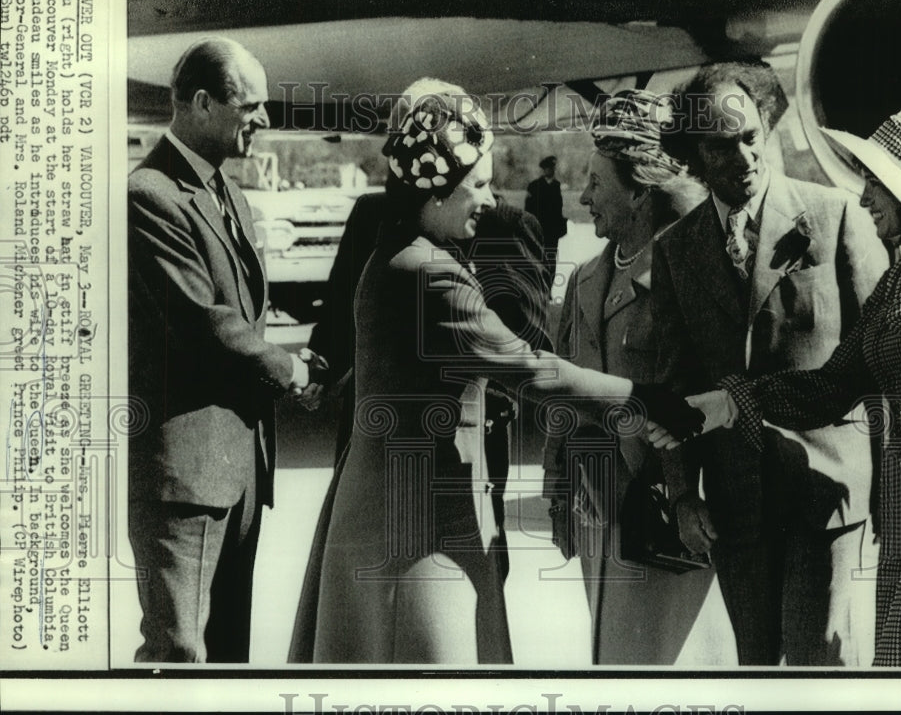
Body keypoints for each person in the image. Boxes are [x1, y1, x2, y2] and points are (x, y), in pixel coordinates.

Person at [290, 80, 704, 663]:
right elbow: (533, 372)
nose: (489, 200)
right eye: (479, 185)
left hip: (402, 509)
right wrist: (645, 400)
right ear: (437, 192)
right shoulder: (430, 275)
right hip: (418, 527)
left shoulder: (398, 251)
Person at [679, 105, 901, 667]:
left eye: (876, 183)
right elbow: (831, 385)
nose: (864, 199)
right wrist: (728, 403)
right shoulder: (899, 276)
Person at [651, 61, 889, 666]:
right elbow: (672, 389)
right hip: (736, 507)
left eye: (750, 137)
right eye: (721, 146)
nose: (744, 156)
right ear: (695, 157)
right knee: (756, 667)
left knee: (816, 667)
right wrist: (683, 496)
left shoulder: (834, 216)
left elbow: (886, 360)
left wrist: (890, 484)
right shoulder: (675, 251)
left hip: (825, 491)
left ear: (765, 127)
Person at [127, 37, 326, 662]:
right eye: (253, 107)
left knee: (229, 656)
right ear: (205, 103)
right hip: (185, 482)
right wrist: (290, 369)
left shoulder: (227, 193)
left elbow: (244, 313)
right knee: (178, 652)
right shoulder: (150, 195)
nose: (264, 121)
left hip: (239, 473)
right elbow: (206, 323)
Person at [542, 90, 736, 664]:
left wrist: (684, 494)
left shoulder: (694, 275)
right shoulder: (584, 278)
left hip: (669, 516)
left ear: (639, 190)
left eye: (598, 184)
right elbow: (565, 392)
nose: (583, 197)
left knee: (671, 665)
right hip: (600, 513)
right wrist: (556, 485)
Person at [524, 154, 567, 293]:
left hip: (552, 231)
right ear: (544, 169)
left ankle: (548, 290)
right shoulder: (534, 186)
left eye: (553, 168)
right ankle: (537, 288)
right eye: (549, 168)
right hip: (538, 229)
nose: (552, 170)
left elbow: (558, 209)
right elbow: (528, 210)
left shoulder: (557, 186)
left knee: (551, 260)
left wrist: (561, 226)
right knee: (536, 258)